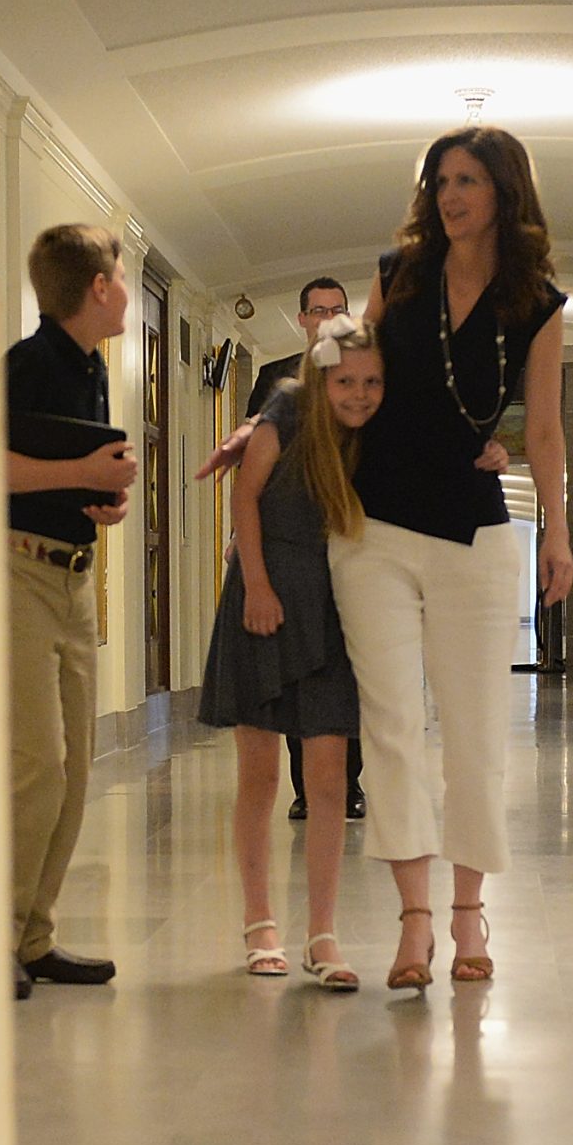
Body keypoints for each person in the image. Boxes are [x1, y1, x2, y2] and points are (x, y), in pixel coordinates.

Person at [339, 125, 573, 987]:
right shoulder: (396, 275)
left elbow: (542, 425)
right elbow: (348, 372)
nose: (450, 194)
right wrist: (273, 417)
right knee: (392, 725)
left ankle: (469, 914)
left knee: (476, 730)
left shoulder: (537, 303)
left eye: (469, 179)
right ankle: (411, 924)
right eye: (441, 179)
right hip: (377, 526)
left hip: (474, 533)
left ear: (504, 193)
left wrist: (557, 530)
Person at [197, 313, 381, 991]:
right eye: (347, 383)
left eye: (371, 383)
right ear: (322, 377)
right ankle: (259, 922)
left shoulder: (372, 431)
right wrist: (258, 587)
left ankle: (323, 932)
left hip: (332, 604)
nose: (359, 395)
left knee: (330, 778)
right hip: (267, 593)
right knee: (260, 776)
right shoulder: (287, 407)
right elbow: (246, 496)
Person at [3, 224, 138, 1000]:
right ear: (98, 286)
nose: (122, 288)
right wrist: (77, 468)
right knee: (36, 766)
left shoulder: (91, 369)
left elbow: (57, 467)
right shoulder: (27, 364)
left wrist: (97, 495)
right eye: (119, 275)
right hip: (18, 572)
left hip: (74, 576)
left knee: (76, 769)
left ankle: (35, 935)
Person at [244, 278, 366, 825]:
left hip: (349, 539)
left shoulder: (361, 376)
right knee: (299, 667)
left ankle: (348, 782)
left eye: (338, 310)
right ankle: (304, 787)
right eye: (318, 310)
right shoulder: (276, 381)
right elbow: (253, 468)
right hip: (292, 545)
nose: (327, 318)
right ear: (302, 319)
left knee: (345, 665)